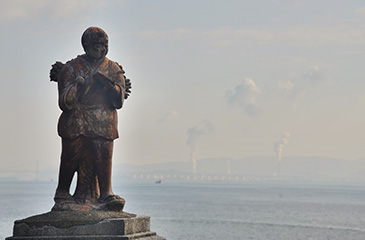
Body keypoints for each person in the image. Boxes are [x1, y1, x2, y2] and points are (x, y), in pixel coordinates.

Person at [52, 27, 131, 211]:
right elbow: (64, 102)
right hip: (77, 119)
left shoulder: (113, 68)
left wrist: (108, 84)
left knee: (103, 153)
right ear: (86, 45)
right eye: (97, 46)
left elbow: (119, 101)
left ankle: (106, 193)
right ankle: (62, 193)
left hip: (104, 121)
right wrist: (79, 85)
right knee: (71, 154)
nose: (102, 50)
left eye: (105, 46)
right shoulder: (71, 68)